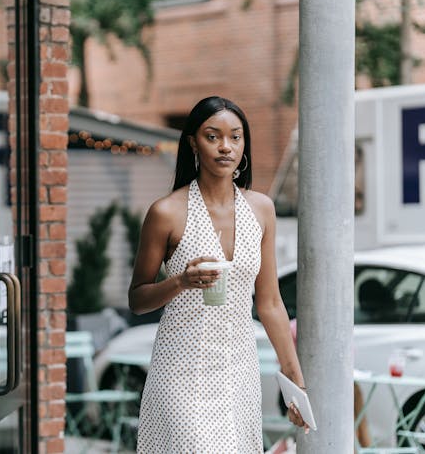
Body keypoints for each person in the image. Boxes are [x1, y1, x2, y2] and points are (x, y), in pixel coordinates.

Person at [128, 96, 308, 452]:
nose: (226, 147)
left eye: (235, 137)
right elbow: (137, 299)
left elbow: (270, 302)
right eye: (213, 137)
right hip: (180, 371)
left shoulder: (261, 209)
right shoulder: (166, 212)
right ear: (193, 142)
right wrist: (180, 281)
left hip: (238, 370)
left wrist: (294, 374)